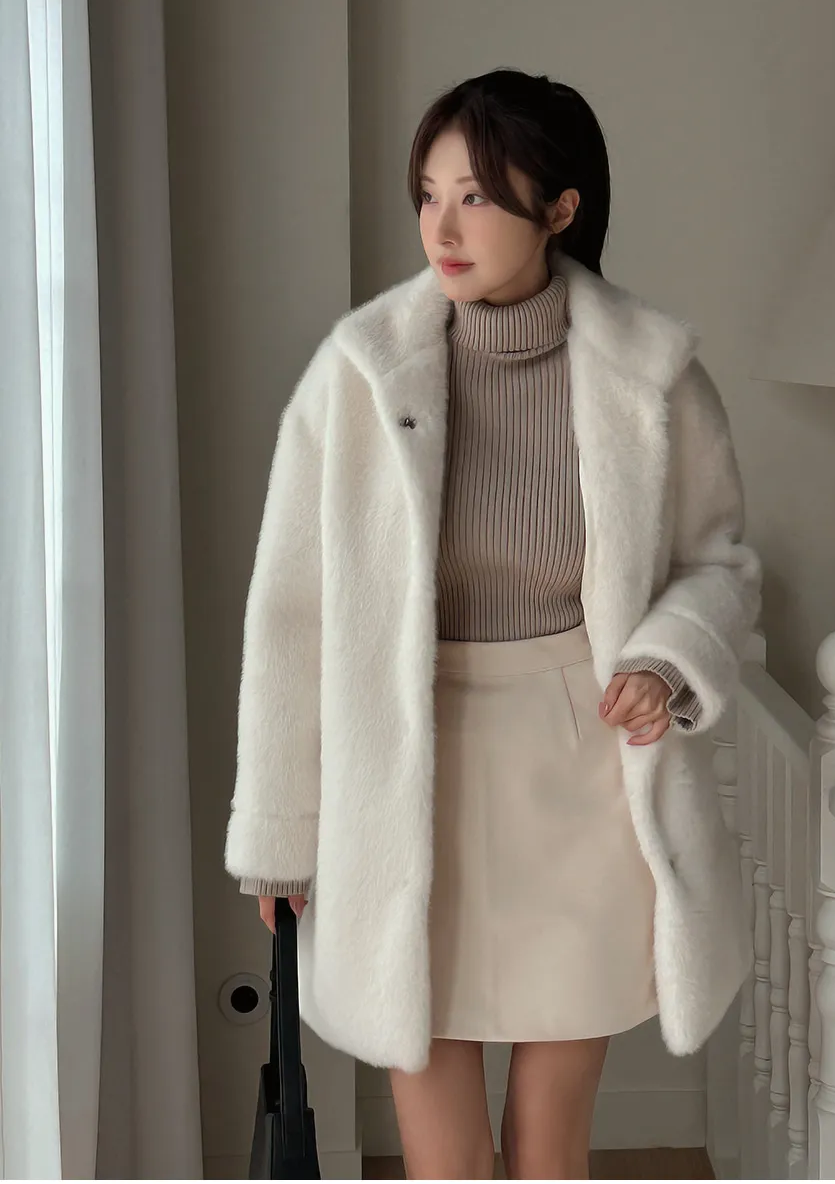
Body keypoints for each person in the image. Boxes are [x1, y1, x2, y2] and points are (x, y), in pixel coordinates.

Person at [224, 67, 762, 1180]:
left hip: (582, 775)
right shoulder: (358, 374)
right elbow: (291, 613)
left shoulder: (653, 375)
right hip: (402, 781)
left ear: (559, 207)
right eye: (428, 195)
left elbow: (718, 563)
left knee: (548, 1150)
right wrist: (278, 830)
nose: (442, 226)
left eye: (474, 195)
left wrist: (665, 661)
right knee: (446, 1159)